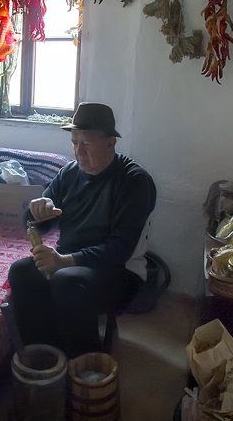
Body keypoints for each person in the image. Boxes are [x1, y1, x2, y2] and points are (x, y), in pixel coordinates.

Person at [8, 102, 156, 357]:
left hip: (119, 270)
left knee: (68, 282)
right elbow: (35, 223)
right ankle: (44, 352)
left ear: (110, 143)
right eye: (74, 143)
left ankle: (85, 361)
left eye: (86, 144)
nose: (79, 152)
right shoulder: (69, 173)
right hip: (70, 261)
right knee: (21, 272)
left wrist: (63, 261)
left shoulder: (134, 181)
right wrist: (36, 212)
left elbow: (119, 249)